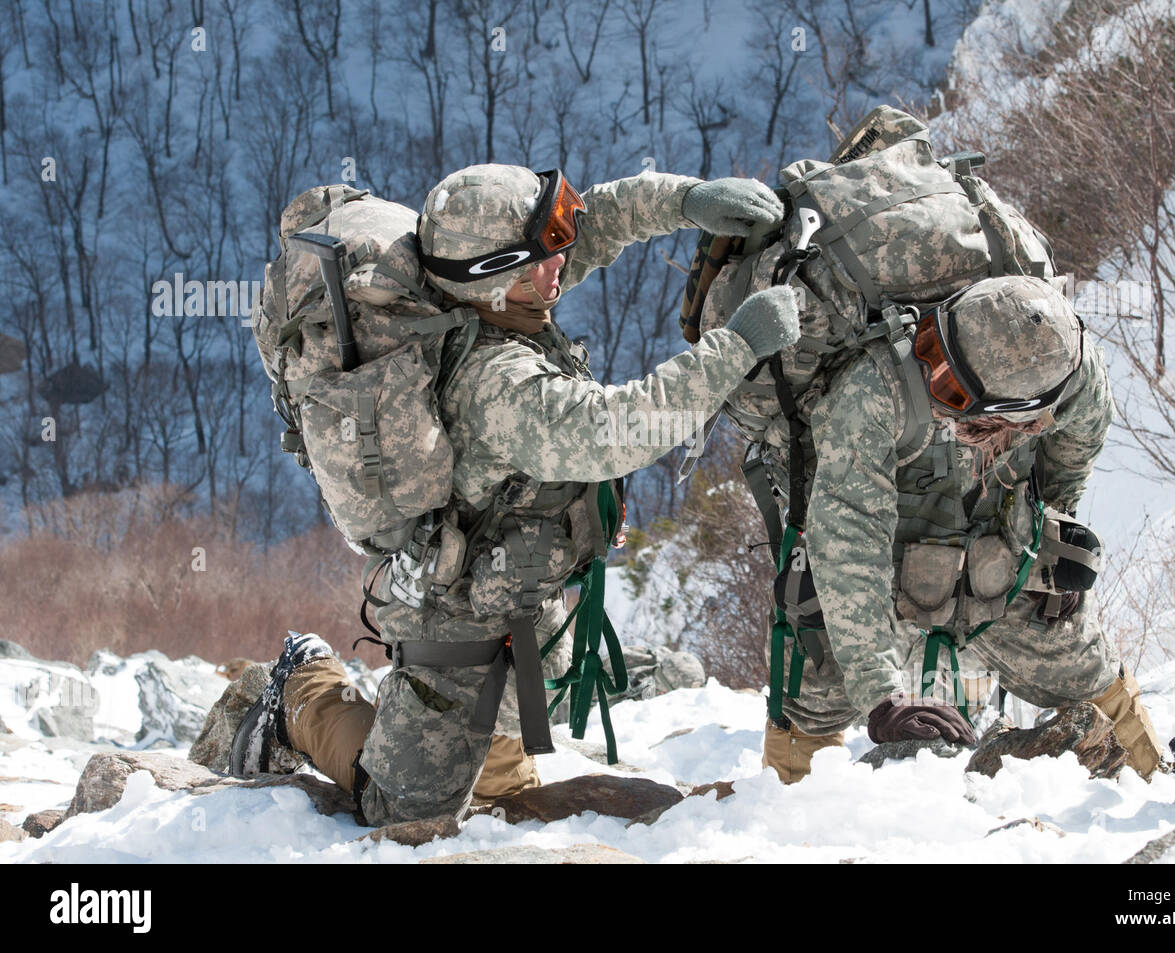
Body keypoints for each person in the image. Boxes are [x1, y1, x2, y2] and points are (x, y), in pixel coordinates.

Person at [228, 163, 803, 827]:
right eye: (541, 256)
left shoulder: (492, 290)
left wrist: (683, 200)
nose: (560, 263)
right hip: (453, 621)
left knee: (505, 776)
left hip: (514, 590)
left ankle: (485, 737)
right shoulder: (493, 382)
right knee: (404, 813)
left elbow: (597, 224)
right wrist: (737, 346)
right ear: (497, 272)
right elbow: (617, 429)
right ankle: (306, 686)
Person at [720, 273, 1164, 783]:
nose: (934, 377)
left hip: (997, 547)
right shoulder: (872, 391)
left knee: (1083, 671)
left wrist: (1054, 522)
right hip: (866, 563)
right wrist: (882, 696)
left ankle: (1160, 788)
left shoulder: (1069, 369)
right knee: (814, 700)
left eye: (954, 391)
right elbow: (848, 541)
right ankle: (783, 823)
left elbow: (1079, 443)